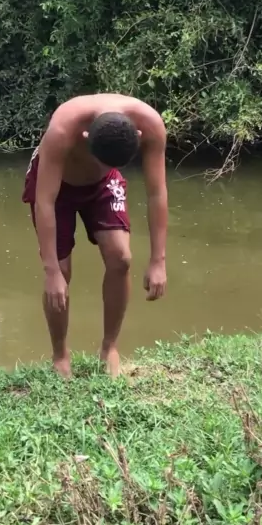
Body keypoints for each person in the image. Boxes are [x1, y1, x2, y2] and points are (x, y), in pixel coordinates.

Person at [22, 93, 168, 377]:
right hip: (57, 186)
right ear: (86, 136)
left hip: (104, 185)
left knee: (121, 258)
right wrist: (51, 270)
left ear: (137, 136)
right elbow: (45, 202)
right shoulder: (63, 128)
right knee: (61, 271)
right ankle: (60, 354)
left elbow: (157, 193)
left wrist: (158, 260)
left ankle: (109, 347)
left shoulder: (150, 125)